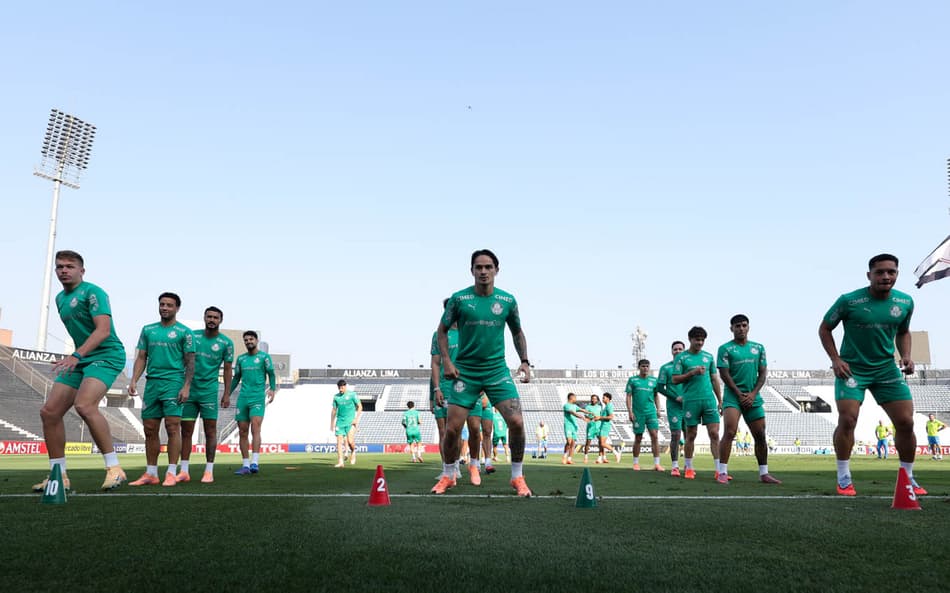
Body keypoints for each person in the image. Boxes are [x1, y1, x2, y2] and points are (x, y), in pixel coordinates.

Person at [819, 253, 924, 496]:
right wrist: (836, 359)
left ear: (897, 274)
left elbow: (904, 332)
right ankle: (844, 476)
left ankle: (908, 477)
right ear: (869, 275)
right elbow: (825, 328)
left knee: (906, 422)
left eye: (891, 272)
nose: (886, 276)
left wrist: (906, 355)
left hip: (886, 368)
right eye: (880, 272)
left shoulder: (905, 302)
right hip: (853, 369)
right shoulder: (849, 301)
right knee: (848, 419)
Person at [432, 249, 533, 496]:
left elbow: (517, 332)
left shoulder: (507, 301)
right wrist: (447, 361)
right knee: (453, 428)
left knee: (517, 422)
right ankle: (448, 475)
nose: (484, 271)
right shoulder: (459, 299)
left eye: (488, 267)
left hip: (497, 370)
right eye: (479, 267)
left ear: (497, 270)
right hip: (465, 372)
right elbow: (442, 331)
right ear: (472, 271)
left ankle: (517, 477)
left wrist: (525, 361)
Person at [33, 250, 128, 493]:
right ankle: (58, 474)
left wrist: (76, 355)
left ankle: (114, 468)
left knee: (85, 405)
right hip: (82, 357)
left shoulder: (93, 292)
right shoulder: (59, 299)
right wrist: (78, 356)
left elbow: (103, 330)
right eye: (59, 267)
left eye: (69, 266)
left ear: (81, 271)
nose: (64, 270)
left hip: (106, 354)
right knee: (49, 412)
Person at [128, 292, 195, 487]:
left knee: (172, 427)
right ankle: (151, 473)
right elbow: (142, 357)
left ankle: (171, 473)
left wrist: (186, 386)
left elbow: (191, 362)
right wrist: (134, 379)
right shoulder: (148, 330)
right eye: (162, 304)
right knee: (149, 429)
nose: (164, 308)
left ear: (177, 309)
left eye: (169, 305)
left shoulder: (185, 332)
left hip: (173, 383)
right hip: (152, 384)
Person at [716, 314, 780, 484]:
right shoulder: (725, 349)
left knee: (760, 435)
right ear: (731, 329)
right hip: (733, 397)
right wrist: (739, 394)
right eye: (737, 326)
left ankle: (764, 473)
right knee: (730, 431)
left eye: (744, 325)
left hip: (753, 397)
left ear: (749, 327)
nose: (741, 328)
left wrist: (752, 394)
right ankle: (722, 472)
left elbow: (763, 372)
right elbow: (724, 374)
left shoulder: (758, 348)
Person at [177, 306, 233, 484]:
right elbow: (182, 360)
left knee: (210, 430)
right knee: (186, 431)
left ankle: (209, 470)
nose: (212, 320)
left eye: (215, 317)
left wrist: (226, 394)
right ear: (204, 318)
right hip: (190, 391)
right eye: (209, 316)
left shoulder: (226, 343)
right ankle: (184, 470)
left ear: (220, 320)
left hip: (209, 392)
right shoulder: (192, 336)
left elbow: (228, 370)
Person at [672, 326, 723, 480]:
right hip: (691, 400)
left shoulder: (708, 357)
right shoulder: (681, 358)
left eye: (702, 340)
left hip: (708, 400)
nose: (700, 342)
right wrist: (691, 373)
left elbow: (715, 378)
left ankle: (719, 470)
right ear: (690, 339)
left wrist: (719, 400)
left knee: (714, 434)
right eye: (697, 339)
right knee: (691, 434)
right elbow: (675, 379)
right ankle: (689, 467)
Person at [229, 331, 276, 474]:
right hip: (243, 398)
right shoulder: (241, 359)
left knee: (255, 428)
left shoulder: (264, 357)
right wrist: (227, 394)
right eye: (246, 340)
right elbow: (236, 378)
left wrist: (272, 389)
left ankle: (255, 462)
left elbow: (271, 374)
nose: (248, 341)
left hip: (257, 398)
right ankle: (245, 465)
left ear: (256, 340)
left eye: (251, 339)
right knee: (242, 431)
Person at [430, 299, 459, 470]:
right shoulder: (438, 335)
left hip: (461, 390)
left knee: (454, 432)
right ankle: (446, 469)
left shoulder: (467, 333)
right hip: (443, 389)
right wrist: (435, 390)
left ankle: (455, 465)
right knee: (442, 432)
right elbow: (434, 364)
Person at [625, 360, 664, 471]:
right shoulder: (633, 380)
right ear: (639, 367)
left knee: (655, 436)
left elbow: (656, 395)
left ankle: (657, 464)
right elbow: (628, 396)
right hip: (638, 413)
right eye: (643, 366)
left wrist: (658, 409)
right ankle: (636, 463)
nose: (645, 368)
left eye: (647, 366)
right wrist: (630, 411)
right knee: (638, 437)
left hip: (651, 412)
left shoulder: (653, 381)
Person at [656, 340, 686, 476]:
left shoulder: (689, 367)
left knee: (690, 435)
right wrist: (676, 397)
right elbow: (660, 387)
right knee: (676, 435)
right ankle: (675, 466)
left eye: (680, 349)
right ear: (671, 351)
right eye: (675, 349)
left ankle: (688, 465)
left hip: (690, 405)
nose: (678, 351)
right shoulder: (666, 368)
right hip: (674, 406)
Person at [329, 379, 361, 468]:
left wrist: (356, 419)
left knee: (350, 441)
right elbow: (334, 410)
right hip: (340, 422)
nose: (341, 389)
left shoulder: (352, 395)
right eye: (339, 388)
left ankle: (353, 451)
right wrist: (332, 423)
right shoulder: (336, 397)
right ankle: (340, 462)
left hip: (350, 422)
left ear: (345, 386)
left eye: (342, 387)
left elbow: (360, 406)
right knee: (339, 442)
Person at [595, 393, 621, 463]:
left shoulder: (609, 406)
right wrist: (598, 418)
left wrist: (600, 417)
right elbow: (603, 417)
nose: (602, 399)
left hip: (605, 426)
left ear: (608, 398)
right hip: (602, 425)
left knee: (603, 443)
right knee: (600, 442)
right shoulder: (606, 406)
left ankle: (616, 453)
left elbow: (611, 417)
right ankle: (600, 458)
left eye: (604, 398)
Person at [561, 392, 587, 464]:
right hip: (568, 425)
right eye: (575, 397)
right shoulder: (566, 405)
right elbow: (573, 413)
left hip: (574, 426)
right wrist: (581, 417)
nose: (576, 399)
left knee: (573, 443)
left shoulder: (575, 406)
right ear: (571, 398)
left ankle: (569, 459)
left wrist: (590, 413)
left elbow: (582, 410)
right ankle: (564, 456)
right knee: (569, 442)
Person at [582, 394, 602, 464]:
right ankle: (586, 457)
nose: (594, 400)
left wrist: (598, 418)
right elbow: (585, 416)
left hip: (598, 426)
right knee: (588, 442)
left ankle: (599, 458)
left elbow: (601, 416)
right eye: (592, 398)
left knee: (601, 442)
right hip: (591, 426)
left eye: (595, 399)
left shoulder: (600, 407)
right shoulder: (588, 407)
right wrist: (591, 418)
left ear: (597, 400)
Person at [479, 395, 496, 473]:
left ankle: (488, 463)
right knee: (475, 433)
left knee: (487, 433)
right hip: (473, 400)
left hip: (487, 404)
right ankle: (475, 464)